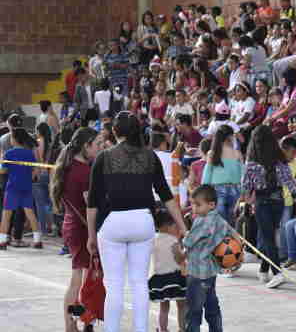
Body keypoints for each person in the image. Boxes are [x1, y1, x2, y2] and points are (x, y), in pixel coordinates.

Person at [86, 112, 187, 332]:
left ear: (115, 131)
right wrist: (182, 226)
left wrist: (91, 236)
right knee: (139, 283)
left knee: (113, 286)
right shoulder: (150, 157)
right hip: (143, 221)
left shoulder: (104, 157)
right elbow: (166, 195)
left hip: (112, 223)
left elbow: (92, 202)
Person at [50, 127, 102, 332]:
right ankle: (72, 325)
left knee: (79, 280)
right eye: (97, 144)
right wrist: (93, 234)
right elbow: (91, 206)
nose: (101, 147)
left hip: (71, 225)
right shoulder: (85, 172)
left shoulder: (67, 167)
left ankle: (74, 324)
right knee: (80, 282)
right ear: (85, 146)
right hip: (83, 229)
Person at [241, 125, 296, 288]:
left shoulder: (252, 163)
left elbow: (245, 185)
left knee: (268, 238)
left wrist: (246, 203)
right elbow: (289, 181)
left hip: (262, 201)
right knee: (270, 235)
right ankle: (263, 270)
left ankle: (277, 272)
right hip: (279, 201)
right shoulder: (280, 160)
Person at [178, 185, 231, 332]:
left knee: (194, 311)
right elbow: (232, 235)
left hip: (197, 273)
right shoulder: (220, 220)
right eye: (193, 204)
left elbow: (189, 241)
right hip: (210, 272)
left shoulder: (202, 221)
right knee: (212, 307)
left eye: (198, 205)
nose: (194, 208)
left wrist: (185, 236)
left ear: (211, 205)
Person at [0, 128, 42, 250]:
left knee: (6, 215)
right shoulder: (30, 153)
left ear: (14, 139)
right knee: (30, 214)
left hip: (12, 188)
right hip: (27, 187)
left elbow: (3, 170)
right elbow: (36, 171)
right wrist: (29, 178)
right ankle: (37, 240)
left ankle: (2, 242)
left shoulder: (9, 153)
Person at [149, 209, 187, 332]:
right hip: (174, 277)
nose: (175, 227)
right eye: (173, 224)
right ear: (167, 226)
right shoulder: (172, 240)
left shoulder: (153, 239)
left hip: (159, 278)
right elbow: (179, 258)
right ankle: (182, 328)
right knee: (181, 305)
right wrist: (187, 251)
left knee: (164, 307)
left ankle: (163, 329)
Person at [201, 125, 242, 226]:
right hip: (235, 189)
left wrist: (204, 191)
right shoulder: (237, 154)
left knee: (219, 224)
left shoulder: (212, 153)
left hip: (217, 190)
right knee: (233, 223)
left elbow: (207, 174)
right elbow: (242, 175)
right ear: (231, 137)